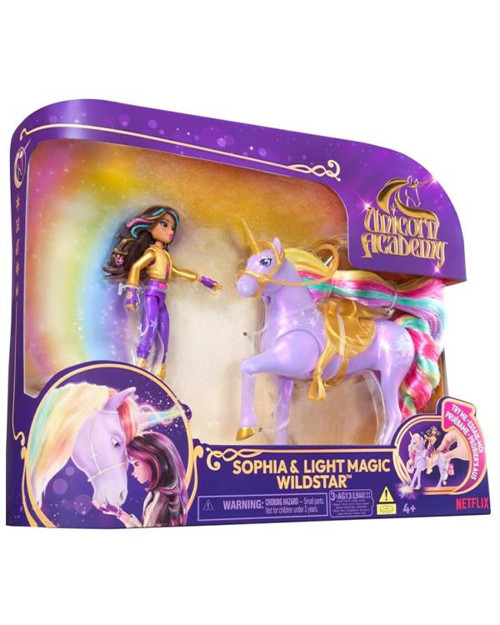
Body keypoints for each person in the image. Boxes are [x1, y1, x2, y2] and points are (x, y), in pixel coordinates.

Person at [116, 431, 188, 527]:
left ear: (153, 460)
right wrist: (119, 514)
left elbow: (147, 534)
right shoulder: (157, 494)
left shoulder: (162, 499)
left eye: (136, 464)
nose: (133, 473)